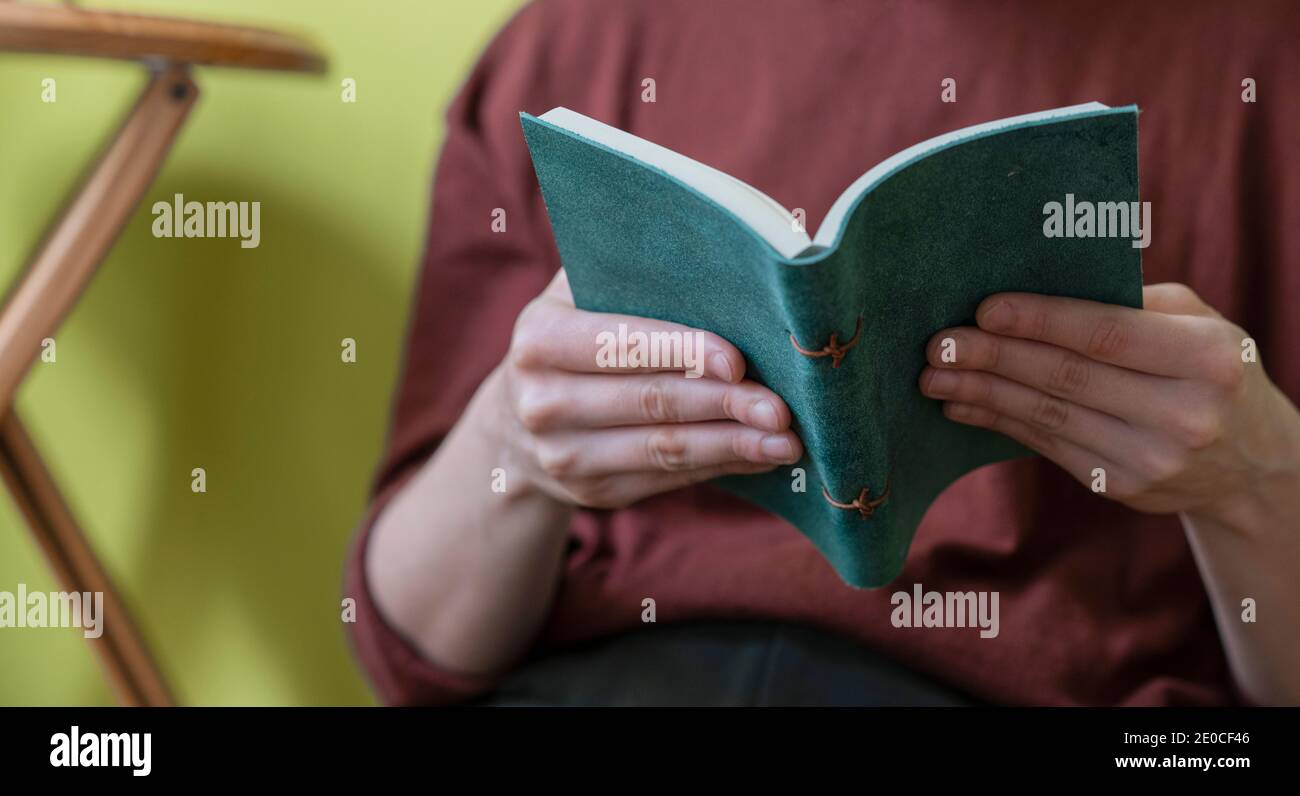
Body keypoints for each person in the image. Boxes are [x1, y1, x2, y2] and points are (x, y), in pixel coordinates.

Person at [344, 0, 1300, 705]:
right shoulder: (567, 43)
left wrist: (1254, 481)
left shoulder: (1265, 62)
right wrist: (513, 448)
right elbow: (409, 652)